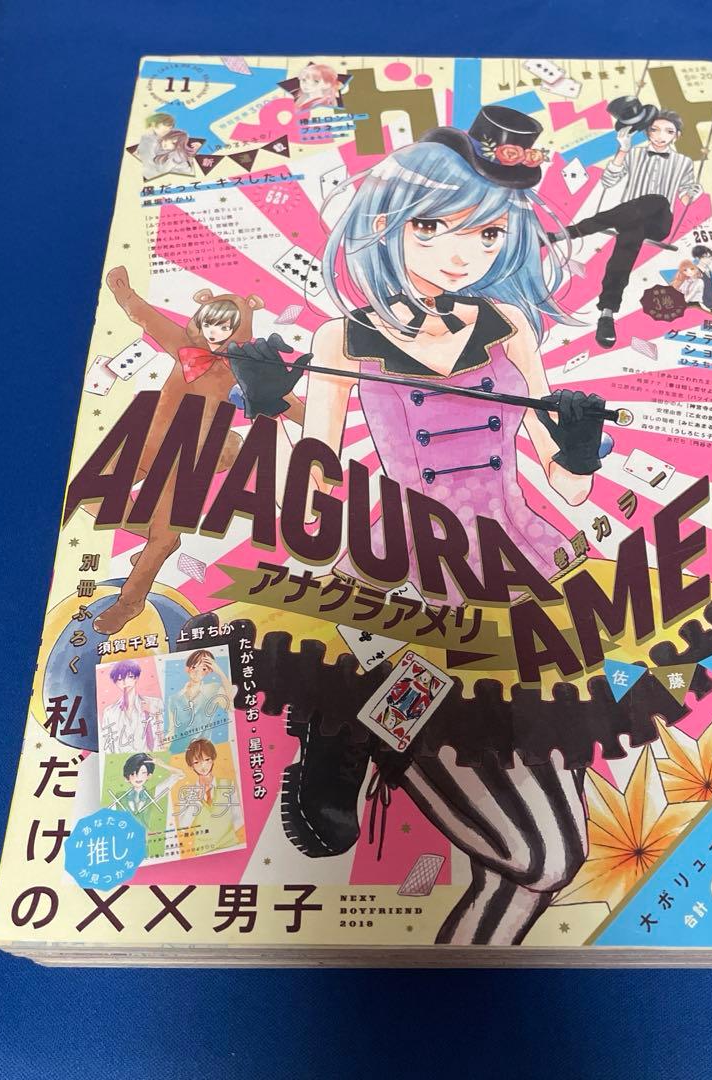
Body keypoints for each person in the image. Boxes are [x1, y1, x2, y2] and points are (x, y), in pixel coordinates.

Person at [282, 106, 621, 947]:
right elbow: (316, 485)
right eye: (432, 227)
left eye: (486, 232)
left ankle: (456, 979)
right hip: (413, 573)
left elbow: (565, 487)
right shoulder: (343, 338)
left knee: (539, 860)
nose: (460, 252)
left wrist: (580, 447)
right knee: (544, 856)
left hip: (524, 571)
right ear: (387, 224)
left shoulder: (509, 326)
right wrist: (266, 406)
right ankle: (354, 722)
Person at [93, 269, 307, 636]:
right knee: (91, 495)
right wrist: (123, 290)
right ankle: (158, 541)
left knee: (162, 536)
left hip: (188, 458)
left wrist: (319, 422)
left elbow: (284, 399)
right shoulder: (183, 343)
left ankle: (129, 601)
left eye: (225, 327)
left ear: (240, 330)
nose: (214, 332)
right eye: (210, 323)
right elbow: (144, 315)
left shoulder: (243, 367)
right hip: (147, 440)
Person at [550, 97, 702, 349]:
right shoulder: (635, 154)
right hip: (629, 218)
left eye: (668, 131)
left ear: (677, 135)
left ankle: (567, 233)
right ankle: (607, 313)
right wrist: (622, 150)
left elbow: (686, 195)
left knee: (657, 199)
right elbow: (609, 181)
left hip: (660, 222)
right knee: (628, 242)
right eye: (654, 130)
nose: (660, 136)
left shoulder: (683, 162)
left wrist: (692, 193)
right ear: (646, 131)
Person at [165, 649, 234, 751]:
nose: (197, 672)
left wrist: (220, 673)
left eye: (203, 669)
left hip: (202, 749)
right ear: (187, 669)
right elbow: (171, 731)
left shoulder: (213, 689)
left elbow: (231, 706)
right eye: (194, 667)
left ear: (210, 670)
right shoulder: (174, 698)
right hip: (177, 750)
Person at [100, 660, 164, 753]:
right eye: (120, 679)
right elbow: (108, 745)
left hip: (152, 757)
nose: (125, 682)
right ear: (115, 682)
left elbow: (164, 734)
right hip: (121, 759)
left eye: (129, 677)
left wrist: (153, 712)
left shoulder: (154, 703)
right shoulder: (109, 712)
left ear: (136, 678)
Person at [111, 752, 182, 833]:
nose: (138, 777)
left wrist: (161, 764)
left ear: (149, 775)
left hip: (143, 838)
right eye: (133, 773)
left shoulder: (152, 794)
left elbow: (179, 774)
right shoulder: (120, 796)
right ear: (127, 777)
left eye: (143, 773)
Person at [673, 244, 712, 314]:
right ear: (698, 258)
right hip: (703, 305)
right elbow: (690, 291)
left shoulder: (708, 271)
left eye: (710, 257)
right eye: (705, 257)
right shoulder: (694, 272)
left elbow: (709, 291)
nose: (709, 259)